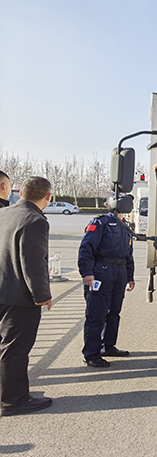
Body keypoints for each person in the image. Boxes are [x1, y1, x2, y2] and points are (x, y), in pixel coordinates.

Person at [0, 177, 53, 416]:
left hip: (2, 289)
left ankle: (8, 393)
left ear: (20, 192)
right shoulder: (35, 220)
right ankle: (13, 400)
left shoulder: (4, 213)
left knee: (4, 347)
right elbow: (33, 263)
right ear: (48, 197)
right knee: (15, 350)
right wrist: (42, 295)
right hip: (19, 297)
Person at [78, 204, 136, 368]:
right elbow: (86, 248)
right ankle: (91, 354)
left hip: (120, 271)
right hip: (102, 271)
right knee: (96, 314)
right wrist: (87, 272)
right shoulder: (101, 222)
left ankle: (108, 346)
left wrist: (130, 276)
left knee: (114, 312)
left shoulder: (124, 226)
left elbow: (128, 253)